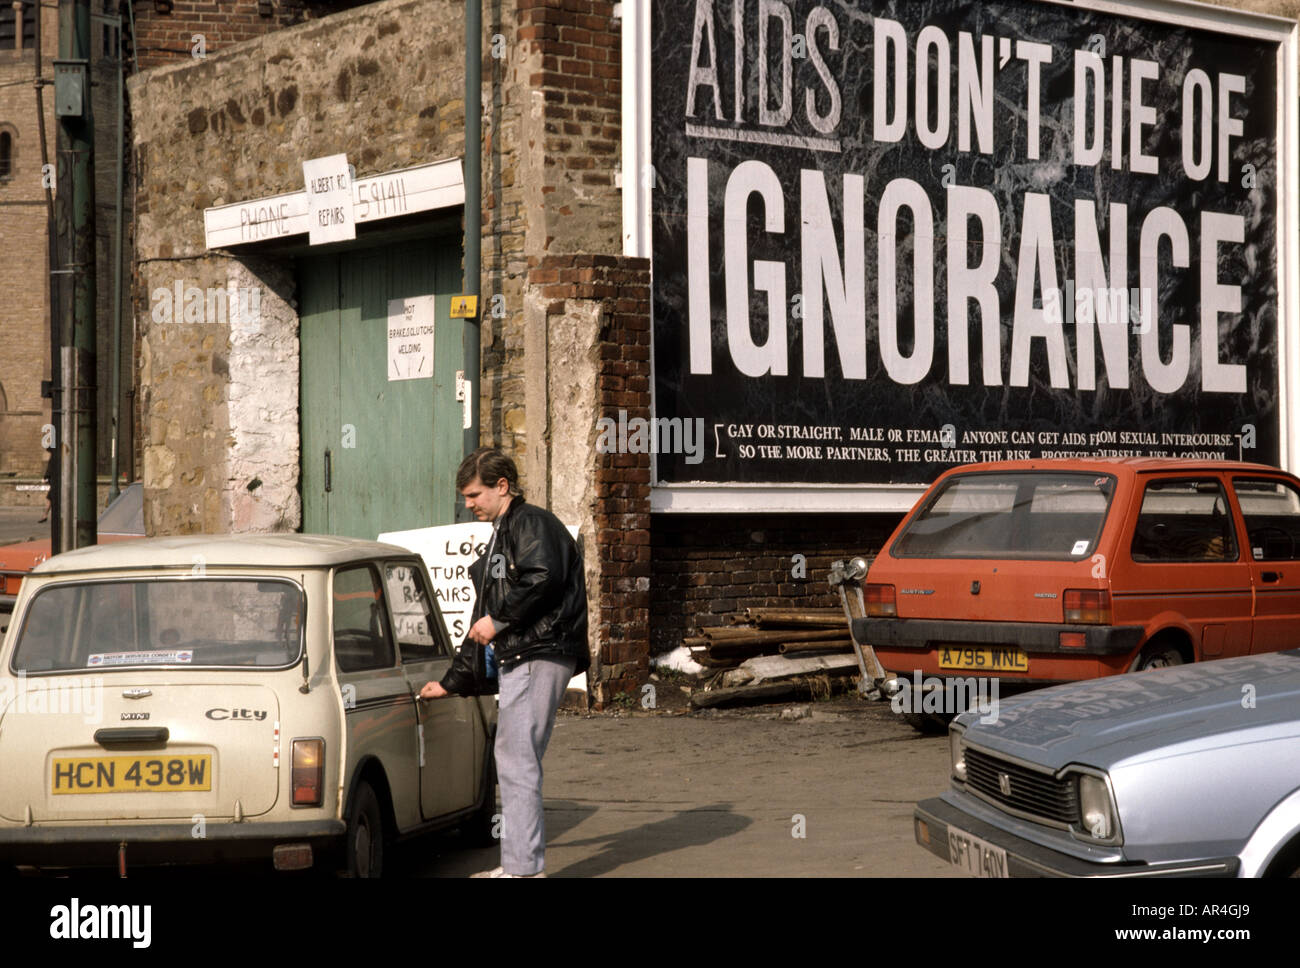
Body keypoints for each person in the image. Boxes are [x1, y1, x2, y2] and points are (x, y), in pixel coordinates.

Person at [420, 447, 588, 878]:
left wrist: (498, 620)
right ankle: (520, 866)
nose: (469, 503)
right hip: (532, 652)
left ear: (502, 486)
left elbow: (543, 577)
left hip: (538, 652)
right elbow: (484, 614)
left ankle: (524, 871)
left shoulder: (528, 522)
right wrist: (453, 681)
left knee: (515, 760)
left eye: (475, 494)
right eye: (466, 497)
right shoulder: (508, 527)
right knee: (515, 759)